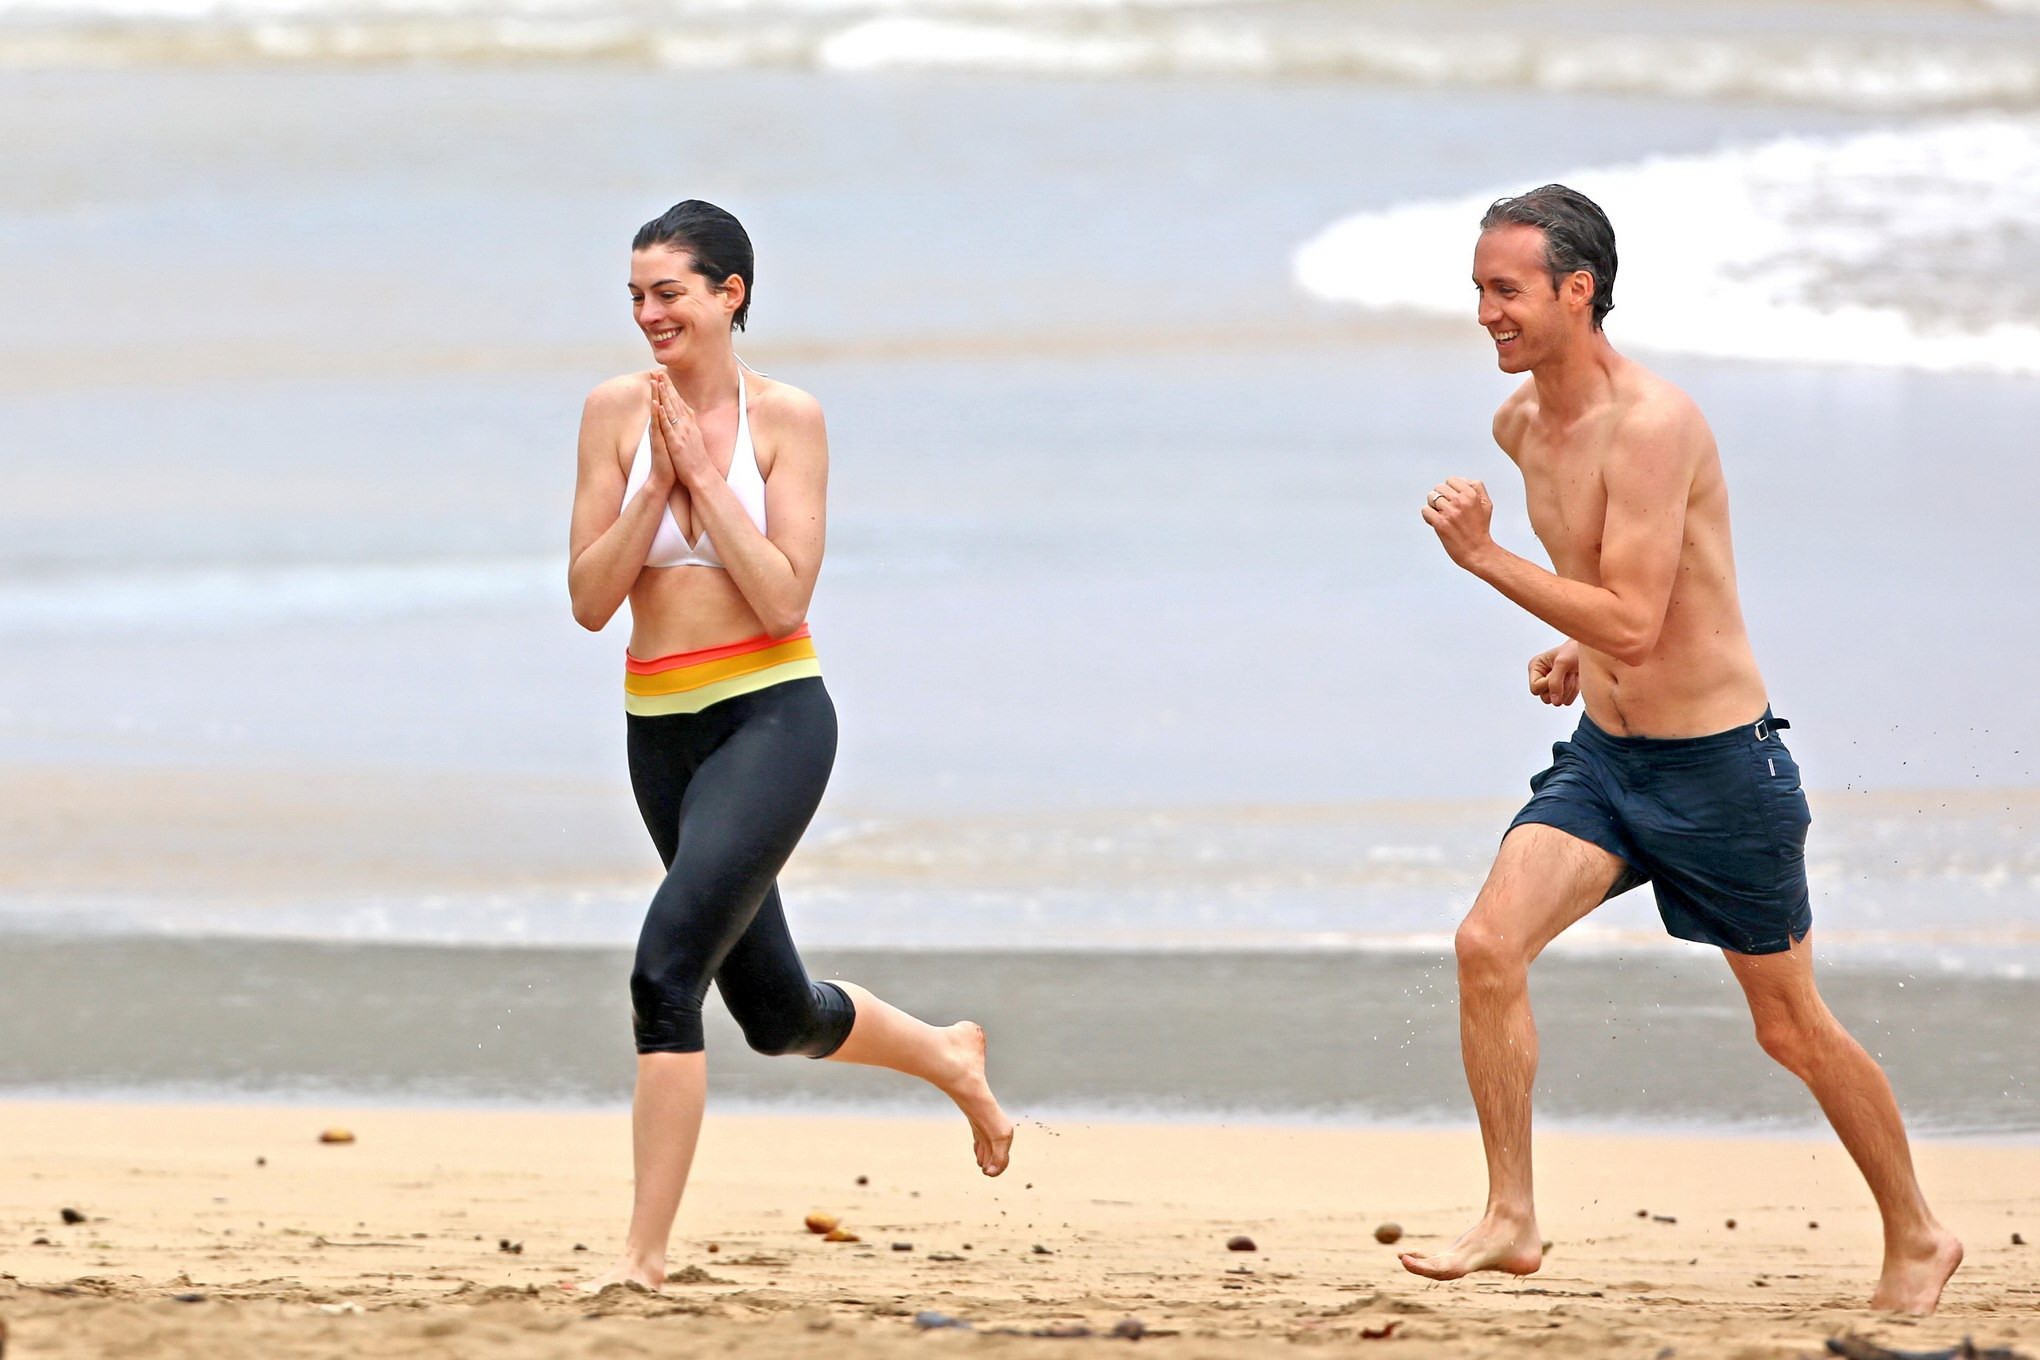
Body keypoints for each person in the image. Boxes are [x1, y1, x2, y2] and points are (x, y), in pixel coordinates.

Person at [1405, 184, 1961, 1314]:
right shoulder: (1519, 426)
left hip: (1720, 771)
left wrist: (1488, 562)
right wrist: (1572, 638)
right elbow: (1606, 590)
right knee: (1485, 945)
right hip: (1610, 762)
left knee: (1789, 1025)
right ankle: (1511, 1212)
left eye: (1505, 291)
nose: (1485, 315)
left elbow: (1639, 619)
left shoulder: (1656, 425)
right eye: (1476, 290)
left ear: (1578, 289)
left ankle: (1918, 1231)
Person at [567, 199, 1013, 1292]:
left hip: (772, 718)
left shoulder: (788, 420)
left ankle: (643, 1258)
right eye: (635, 295)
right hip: (658, 731)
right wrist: (654, 490)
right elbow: (588, 599)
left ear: (732, 293)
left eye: (668, 291)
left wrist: (705, 482)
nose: (647, 314)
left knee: (665, 968)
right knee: (774, 1013)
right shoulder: (612, 413)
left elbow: (779, 597)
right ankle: (950, 1053)